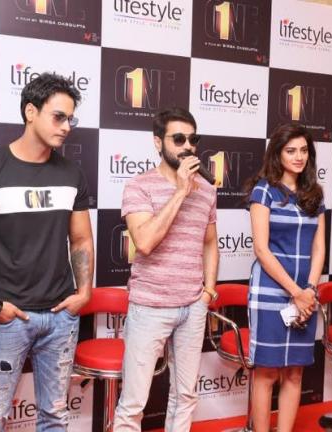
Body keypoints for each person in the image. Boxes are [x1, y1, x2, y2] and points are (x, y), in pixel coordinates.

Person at [0, 72, 94, 431]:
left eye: (70, 119)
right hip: (9, 318)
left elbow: (80, 240)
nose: (66, 127)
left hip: (61, 317)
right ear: (31, 112)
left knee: (55, 416)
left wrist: (84, 292)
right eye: (58, 117)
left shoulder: (72, 174)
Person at [113, 107, 219, 431]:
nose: (188, 146)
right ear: (158, 142)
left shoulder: (207, 189)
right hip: (150, 307)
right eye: (178, 139)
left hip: (193, 306)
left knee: (185, 396)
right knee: (133, 403)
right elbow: (144, 242)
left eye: (193, 139)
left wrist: (208, 291)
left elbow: (210, 242)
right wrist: (181, 192)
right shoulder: (139, 186)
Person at [246, 122, 325, 432]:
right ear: (277, 154)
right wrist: (296, 292)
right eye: (291, 150)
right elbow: (261, 249)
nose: (298, 156)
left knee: (294, 372)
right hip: (271, 290)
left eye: (303, 150)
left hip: (305, 293)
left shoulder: (314, 194)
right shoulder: (264, 190)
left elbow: (319, 248)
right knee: (267, 372)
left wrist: (310, 289)